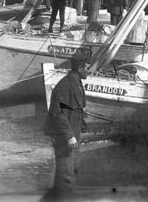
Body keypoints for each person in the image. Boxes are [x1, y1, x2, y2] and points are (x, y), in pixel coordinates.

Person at [44, 57, 90, 199]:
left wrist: (81, 118)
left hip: (74, 133)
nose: (90, 71)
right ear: (80, 68)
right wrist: (69, 136)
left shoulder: (77, 83)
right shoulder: (65, 85)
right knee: (66, 175)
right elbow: (57, 113)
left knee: (73, 169)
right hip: (64, 136)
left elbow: (75, 106)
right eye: (88, 68)